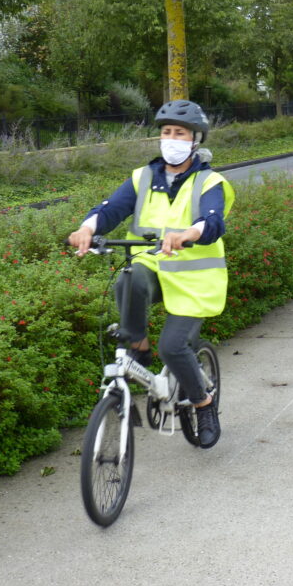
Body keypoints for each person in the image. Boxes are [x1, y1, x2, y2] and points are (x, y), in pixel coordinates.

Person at [68, 100, 234, 448]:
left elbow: (213, 219)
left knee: (173, 347)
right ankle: (137, 346)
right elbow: (111, 209)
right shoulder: (142, 178)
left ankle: (203, 403)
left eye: (180, 133)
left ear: (195, 140)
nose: (171, 139)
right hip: (152, 264)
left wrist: (188, 234)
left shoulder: (210, 181)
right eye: (166, 132)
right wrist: (86, 228)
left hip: (194, 280)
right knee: (129, 278)